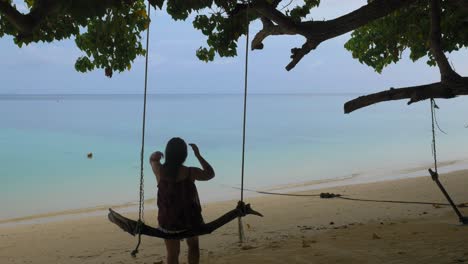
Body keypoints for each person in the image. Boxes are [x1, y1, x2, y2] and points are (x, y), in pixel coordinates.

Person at [149, 137, 215, 264]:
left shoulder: (159, 170)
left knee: (172, 254)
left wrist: (155, 155)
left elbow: (152, 160)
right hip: (190, 221)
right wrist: (198, 155)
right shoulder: (190, 172)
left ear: (167, 153)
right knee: (193, 247)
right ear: (184, 155)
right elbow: (210, 174)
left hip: (168, 223)